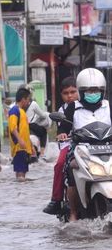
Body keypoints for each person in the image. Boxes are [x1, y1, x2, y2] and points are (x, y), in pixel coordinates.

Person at [58, 68, 110, 221]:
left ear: (103, 90)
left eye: (96, 90)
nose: (92, 93)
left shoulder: (108, 106)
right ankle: (73, 212)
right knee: (71, 168)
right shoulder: (73, 107)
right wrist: (62, 133)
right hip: (81, 149)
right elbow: (64, 127)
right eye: (88, 90)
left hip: (108, 148)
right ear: (81, 91)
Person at [43, 77, 78, 215]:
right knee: (60, 164)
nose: (70, 96)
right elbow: (62, 129)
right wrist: (62, 134)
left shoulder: (89, 107)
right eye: (66, 93)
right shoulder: (62, 111)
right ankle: (56, 199)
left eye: (73, 92)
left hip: (90, 144)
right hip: (69, 145)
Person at [8, 88, 32, 182]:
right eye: (28, 99)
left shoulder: (21, 111)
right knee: (20, 173)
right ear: (23, 99)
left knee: (23, 173)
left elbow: (25, 131)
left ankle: (22, 193)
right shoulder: (14, 110)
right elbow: (12, 128)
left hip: (24, 147)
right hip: (19, 148)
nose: (29, 102)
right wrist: (20, 140)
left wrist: (30, 146)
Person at [22, 84, 50, 159]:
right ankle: (42, 152)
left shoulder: (17, 104)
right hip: (31, 125)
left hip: (21, 126)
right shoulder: (33, 104)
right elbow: (43, 115)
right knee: (44, 132)